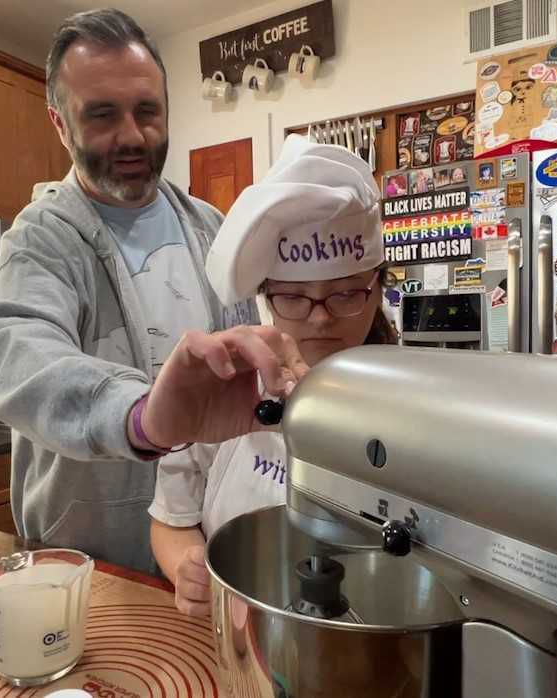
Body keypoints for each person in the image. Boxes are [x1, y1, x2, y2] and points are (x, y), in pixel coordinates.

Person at [0, 9, 257, 574]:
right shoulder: (42, 239)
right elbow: (11, 349)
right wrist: (144, 416)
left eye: (147, 111)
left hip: (207, 558)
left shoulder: (211, 228)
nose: (131, 135)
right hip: (89, 569)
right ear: (59, 122)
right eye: (102, 115)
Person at [146, 135, 397, 617]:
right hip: (243, 645)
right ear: (265, 295)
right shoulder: (225, 389)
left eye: (346, 294)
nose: (320, 319)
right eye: (295, 297)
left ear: (377, 287)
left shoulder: (415, 406)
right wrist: (187, 568)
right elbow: (170, 519)